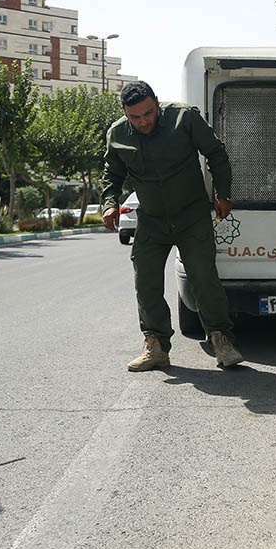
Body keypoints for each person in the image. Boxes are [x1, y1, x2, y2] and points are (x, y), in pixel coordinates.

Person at [101, 81, 243, 371]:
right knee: (146, 281)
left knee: (203, 278)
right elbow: (111, 173)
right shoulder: (116, 134)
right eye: (135, 117)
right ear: (125, 114)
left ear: (156, 101)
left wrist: (223, 194)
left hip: (191, 215)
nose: (143, 121)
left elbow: (216, 153)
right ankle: (155, 346)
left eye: (148, 113)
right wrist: (109, 203)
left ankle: (222, 341)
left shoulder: (184, 117)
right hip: (152, 219)